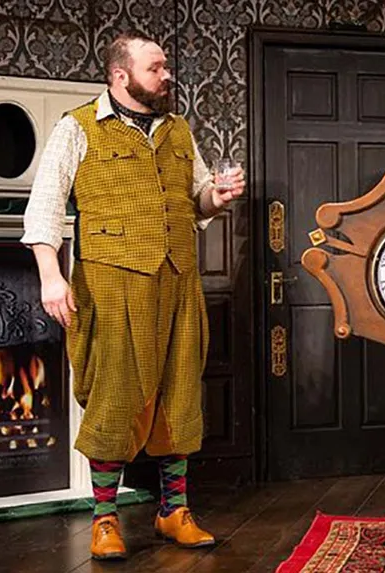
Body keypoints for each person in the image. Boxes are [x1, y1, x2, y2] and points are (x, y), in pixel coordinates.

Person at [21, 33, 245, 560]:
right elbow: (46, 205)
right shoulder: (78, 129)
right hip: (112, 284)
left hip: (178, 280)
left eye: (166, 66)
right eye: (156, 68)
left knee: (180, 393)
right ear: (121, 75)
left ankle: (173, 511)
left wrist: (219, 194)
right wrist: (51, 277)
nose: (167, 76)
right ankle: (104, 519)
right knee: (116, 397)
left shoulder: (177, 130)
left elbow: (197, 199)